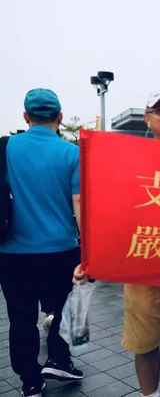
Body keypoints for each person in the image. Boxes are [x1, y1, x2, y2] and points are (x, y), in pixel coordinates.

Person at [74, 91, 160, 397]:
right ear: (148, 119)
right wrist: (90, 258)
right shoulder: (129, 161)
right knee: (144, 340)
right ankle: (150, 394)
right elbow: (108, 212)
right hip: (143, 266)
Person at [0, 89, 83, 397]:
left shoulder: (5, 148)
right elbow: (79, 206)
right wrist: (89, 252)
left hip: (11, 253)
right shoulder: (71, 153)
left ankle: (31, 381)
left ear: (25, 117)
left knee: (21, 317)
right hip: (60, 251)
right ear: (60, 118)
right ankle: (60, 359)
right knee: (60, 311)